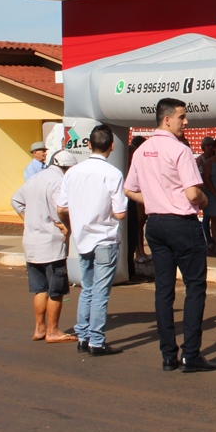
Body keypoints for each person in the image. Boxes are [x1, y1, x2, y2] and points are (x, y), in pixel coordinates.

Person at [125, 98, 216, 373]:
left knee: (164, 289)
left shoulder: (142, 150)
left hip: (156, 223)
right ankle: (190, 354)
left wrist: (155, 200)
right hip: (181, 223)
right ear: (167, 119)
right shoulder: (179, 151)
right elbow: (193, 192)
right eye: (182, 116)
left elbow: (129, 189)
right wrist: (202, 200)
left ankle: (168, 354)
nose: (186, 121)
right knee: (195, 288)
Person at [56, 125, 128, 357]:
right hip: (105, 237)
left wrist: (72, 222)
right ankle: (96, 340)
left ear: (88, 144)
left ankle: (83, 335)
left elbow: (61, 207)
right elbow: (120, 213)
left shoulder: (73, 172)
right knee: (100, 292)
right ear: (112, 146)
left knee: (87, 288)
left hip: (82, 237)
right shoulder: (113, 173)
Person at [11, 150, 79, 343]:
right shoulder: (59, 182)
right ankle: (52, 331)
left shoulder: (35, 178)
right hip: (51, 242)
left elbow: (16, 200)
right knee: (55, 290)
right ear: (66, 168)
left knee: (39, 289)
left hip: (32, 241)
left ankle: (39, 329)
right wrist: (67, 226)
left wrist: (29, 219)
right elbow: (61, 209)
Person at [126, 135, 150, 276]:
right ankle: (138, 252)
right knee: (137, 225)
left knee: (140, 224)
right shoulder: (129, 167)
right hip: (135, 198)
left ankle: (141, 250)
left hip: (142, 195)